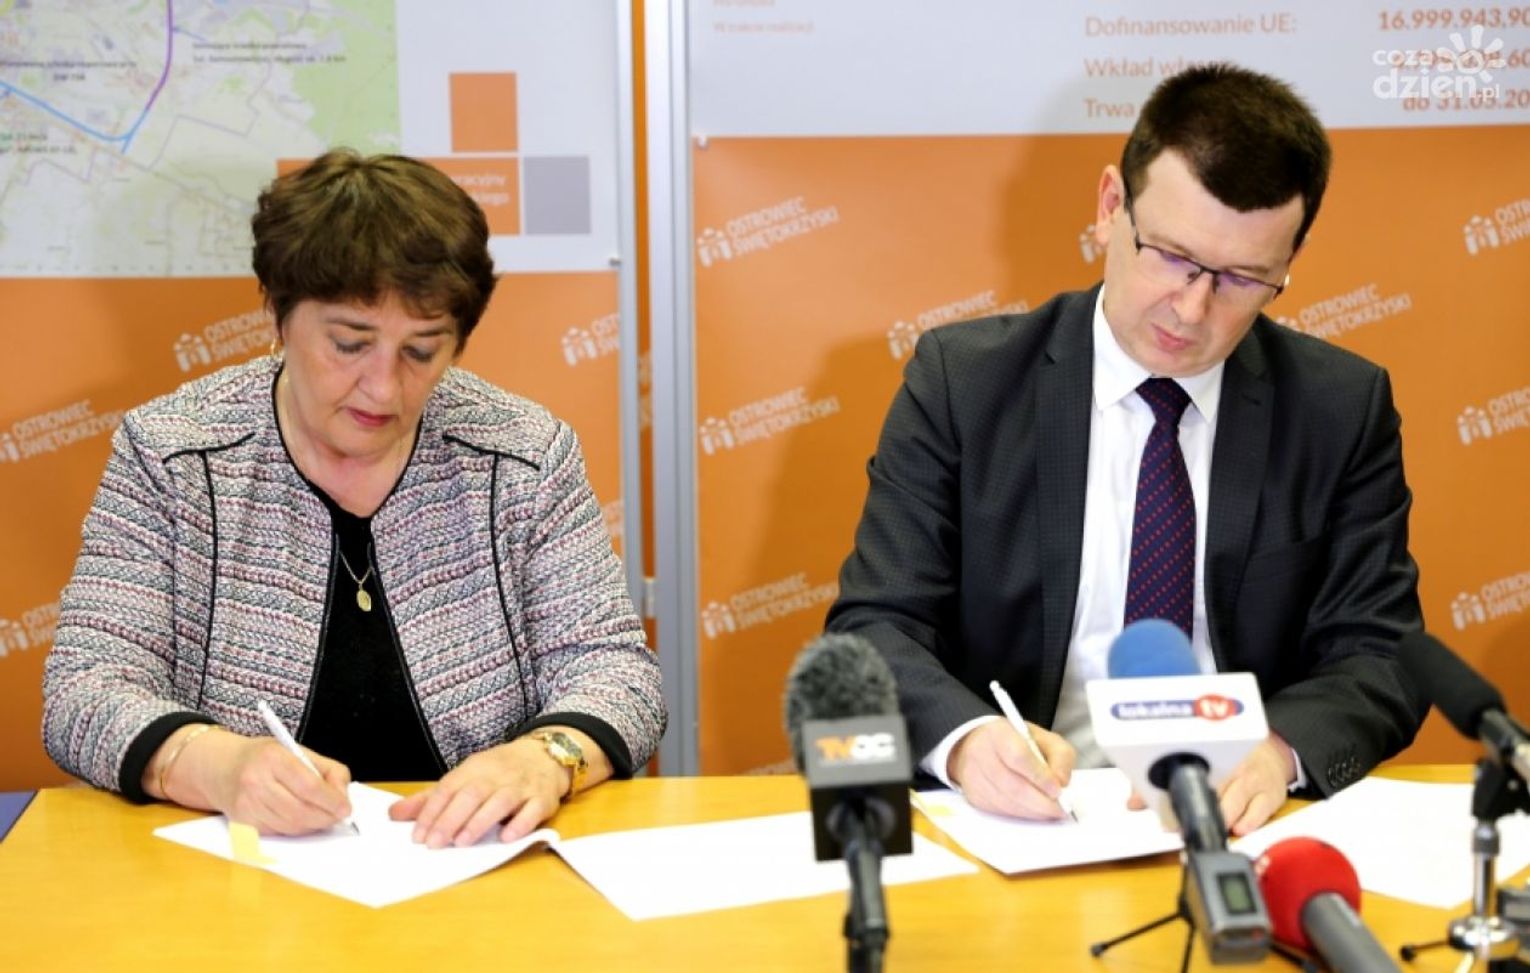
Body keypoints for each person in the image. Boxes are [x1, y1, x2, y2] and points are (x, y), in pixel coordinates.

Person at [825, 64, 1426, 836]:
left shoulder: (1338, 408)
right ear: (1111, 207)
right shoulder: (963, 384)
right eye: (1171, 255)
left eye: (1243, 279)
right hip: (1021, 822)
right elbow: (875, 624)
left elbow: (1383, 653)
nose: (1192, 307)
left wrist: (1276, 751)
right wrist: (968, 742)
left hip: (1238, 826)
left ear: (1289, 263)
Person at [42, 149, 665, 847]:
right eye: (348, 343)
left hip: (470, 864)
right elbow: (84, 690)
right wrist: (216, 764)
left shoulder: (521, 455)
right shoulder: (175, 454)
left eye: (421, 351)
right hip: (238, 877)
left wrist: (546, 757)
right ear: (280, 314)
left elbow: (617, 671)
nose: (383, 387)